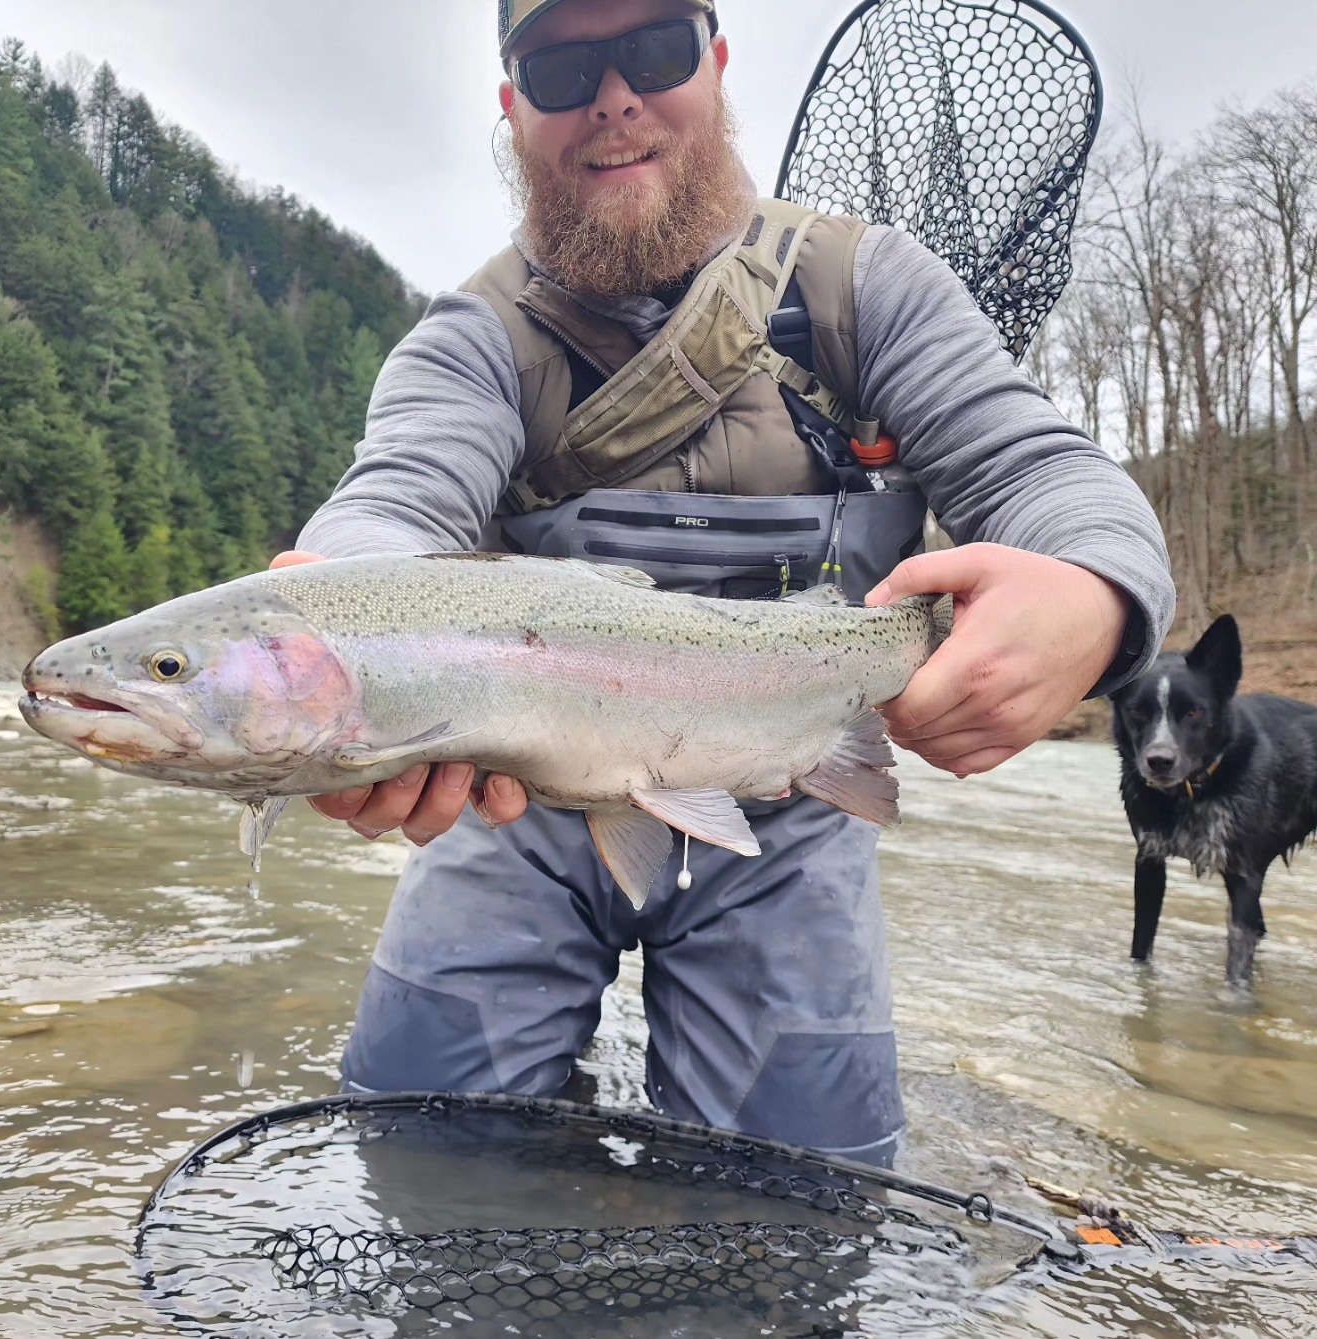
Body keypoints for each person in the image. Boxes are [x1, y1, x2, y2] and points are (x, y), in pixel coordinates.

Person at [274, 0, 1174, 1167]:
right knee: (415, 1145)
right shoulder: (472, 340)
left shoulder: (867, 291)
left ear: (716, 65)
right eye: (561, 67)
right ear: (512, 110)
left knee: (800, 1202)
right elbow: (396, 499)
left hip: (793, 809)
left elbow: (1046, 472)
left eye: (652, 50)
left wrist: (1092, 594)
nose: (613, 97)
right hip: (523, 809)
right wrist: (333, 620)